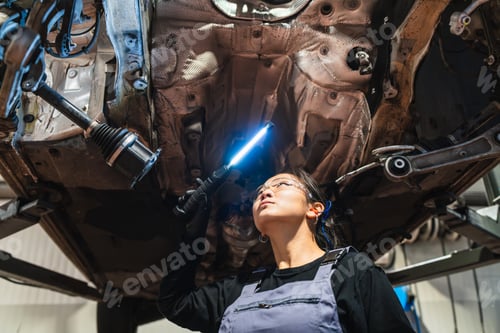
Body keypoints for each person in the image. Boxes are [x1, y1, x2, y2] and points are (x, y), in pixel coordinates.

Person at [158, 169, 416, 332]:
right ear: (260, 228)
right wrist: (194, 230)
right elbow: (176, 304)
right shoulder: (239, 289)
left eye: (281, 184)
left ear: (314, 209)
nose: (266, 191)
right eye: (260, 191)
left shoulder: (352, 272)